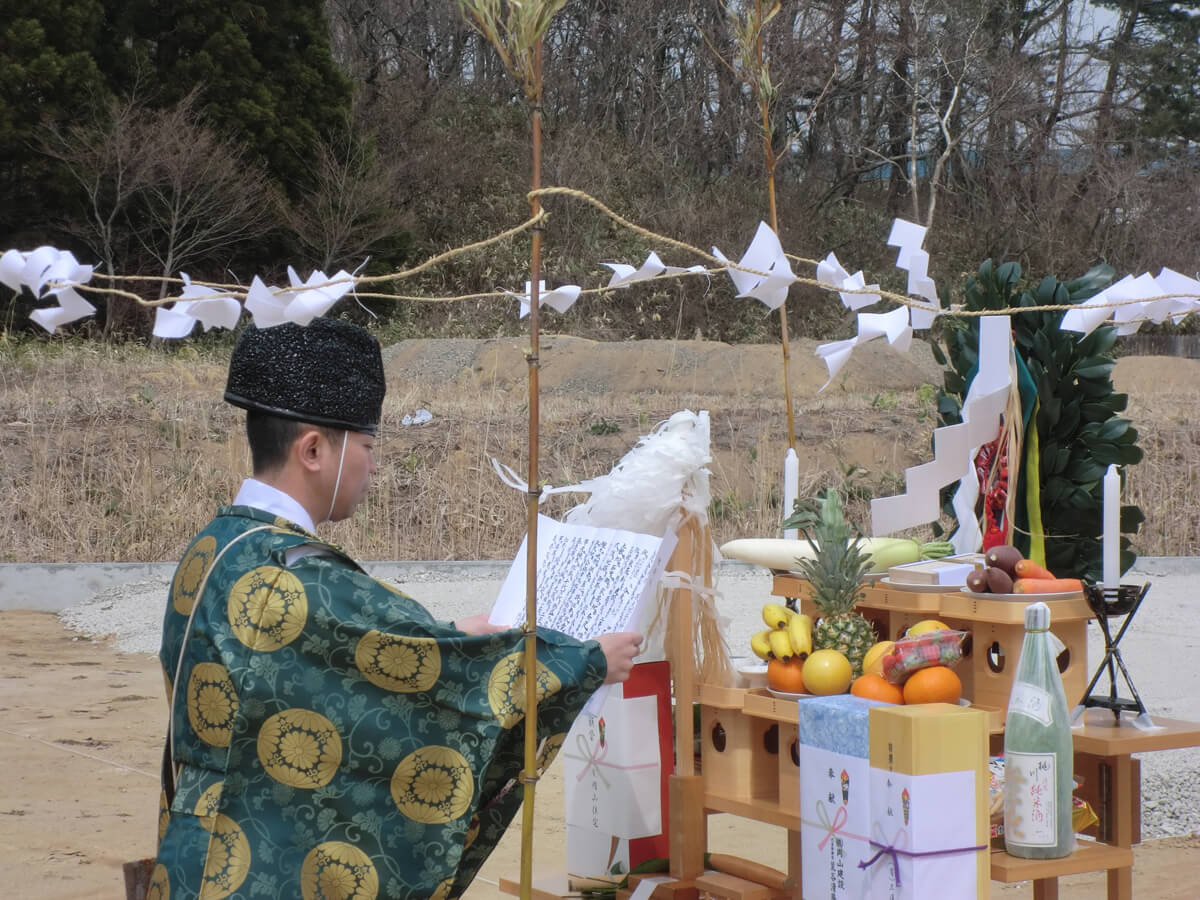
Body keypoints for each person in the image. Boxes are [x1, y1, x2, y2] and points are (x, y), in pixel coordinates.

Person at [150, 318, 642, 899]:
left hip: (192, 853)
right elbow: (431, 693)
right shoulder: (299, 581)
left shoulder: (217, 548)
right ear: (313, 449)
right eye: (367, 447)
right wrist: (582, 661)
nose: (373, 466)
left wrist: (454, 633)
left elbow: (324, 666)